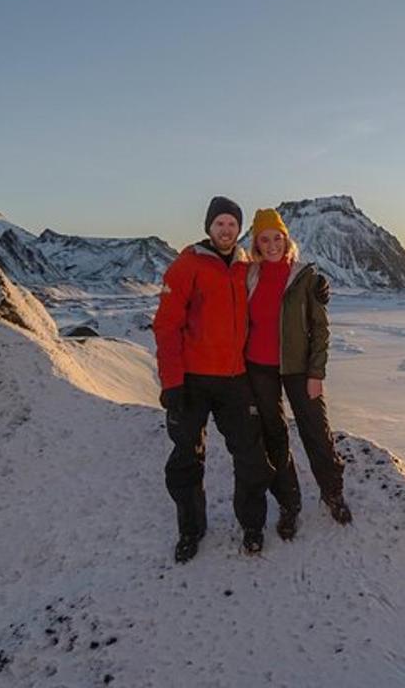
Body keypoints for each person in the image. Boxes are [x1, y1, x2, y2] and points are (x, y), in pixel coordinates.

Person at [153, 196, 274, 562]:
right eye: (220, 223)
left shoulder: (245, 266)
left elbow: (277, 283)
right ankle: (191, 530)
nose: (226, 230)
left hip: (235, 379)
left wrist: (313, 289)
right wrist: (172, 383)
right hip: (192, 380)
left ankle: (252, 525)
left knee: (251, 456)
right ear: (209, 227)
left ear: (239, 230)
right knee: (187, 458)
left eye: (232, 224)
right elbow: (166, 326)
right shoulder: (186, 266)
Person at [244, 208, 351, 542]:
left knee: (316, 431)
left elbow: (320, 329)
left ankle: (332, 492)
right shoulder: (247, 275)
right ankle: (289, 503)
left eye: (278, 237)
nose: (273, 244)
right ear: (256, 243)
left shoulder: (305, 277)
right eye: (265, 239)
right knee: (274, 437)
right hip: (258, 367)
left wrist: (316, 372)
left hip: (299, 368)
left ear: (286, 239)